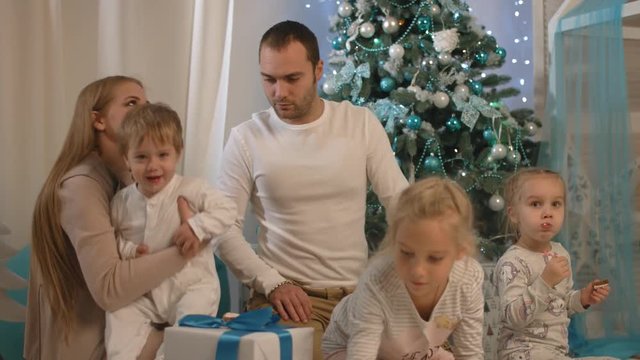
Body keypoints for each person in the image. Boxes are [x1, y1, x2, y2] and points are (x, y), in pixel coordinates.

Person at [214, 20, 409, 359]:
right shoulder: (246, 138)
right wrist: (272, 282)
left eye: (292, 79)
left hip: (361, 298)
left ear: (318, 69)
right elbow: (222, 230)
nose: (279, 92)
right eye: (269, 79)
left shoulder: (359, 124)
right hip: (288, 300)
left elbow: (401, 203)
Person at [25, 76, 201, 360]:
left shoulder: (123, 182)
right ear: (98, 120)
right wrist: (189, 249)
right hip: (87, 347)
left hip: (110, 336)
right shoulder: (81, 185)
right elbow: (109, 288)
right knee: (201, 345)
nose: (144, 111)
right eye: (132, 103)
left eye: (146, 104)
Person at [105, 103, 236, 359]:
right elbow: (114, 239)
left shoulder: (191, 189)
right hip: (145, 291)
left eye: (163, 155)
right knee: (118, 313)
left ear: (178, 153)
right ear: (126, 159)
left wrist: (196, 227)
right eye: (141, 157)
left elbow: (227, 210)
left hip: (192, 285)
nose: (153, 165)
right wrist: (130, 250)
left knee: (190, 333)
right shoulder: (122, 201)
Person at [321, 177, 485, 359]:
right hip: (348, 347)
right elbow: (361, 352)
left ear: (460, 252)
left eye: (434, 258)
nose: (418, 271)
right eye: (406, 253)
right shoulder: (377, 280)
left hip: (415, 350)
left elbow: (470, 353)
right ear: (394, 241)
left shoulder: (468, 280)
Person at [493, 168, 612, 359]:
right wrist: (545, 281)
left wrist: (583, 298)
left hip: (557, 353)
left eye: (556, 204)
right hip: (522, 352)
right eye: (535, 204)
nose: (548, 213)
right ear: (514, 214)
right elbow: (513, 318)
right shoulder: (512, 262)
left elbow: (561, 305)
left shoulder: (560, 252)